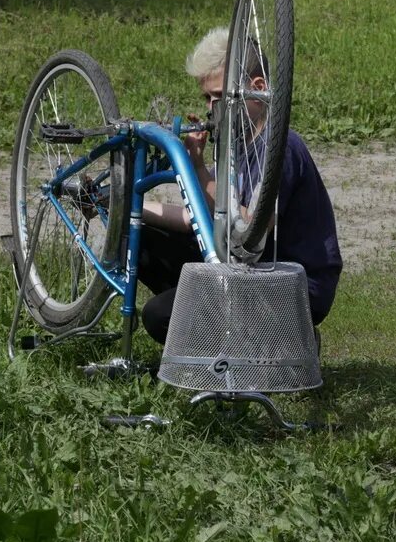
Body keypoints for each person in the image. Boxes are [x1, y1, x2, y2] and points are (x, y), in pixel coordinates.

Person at [138, 26, 343, 344]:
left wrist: (199, 170)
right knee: (139, 235)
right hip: (247, 271)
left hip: (291, 285)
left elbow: (249, 229)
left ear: (258, 89)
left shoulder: (281, 147)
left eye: (219, 96)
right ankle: (247, 337)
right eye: (206, 98)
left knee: (160, 316)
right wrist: (130, 207)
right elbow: (206, 220)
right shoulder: (233, 142)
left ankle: (283, 338)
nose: (210, 108)